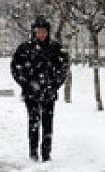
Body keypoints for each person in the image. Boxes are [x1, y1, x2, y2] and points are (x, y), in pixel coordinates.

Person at [11, 15, 68, 162]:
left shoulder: (56, 48)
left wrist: (54, 85)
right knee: (33, 123)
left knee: (48, 124)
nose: (41, 34)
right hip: (31, 93)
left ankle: (46, 153)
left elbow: (63, 69)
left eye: (44, 31)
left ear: (48, 32)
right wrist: (26, 84)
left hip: (49, 92)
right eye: (39, 31)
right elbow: (16, 68)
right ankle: (33, 152)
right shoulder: (25, 48)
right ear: (34, 32)